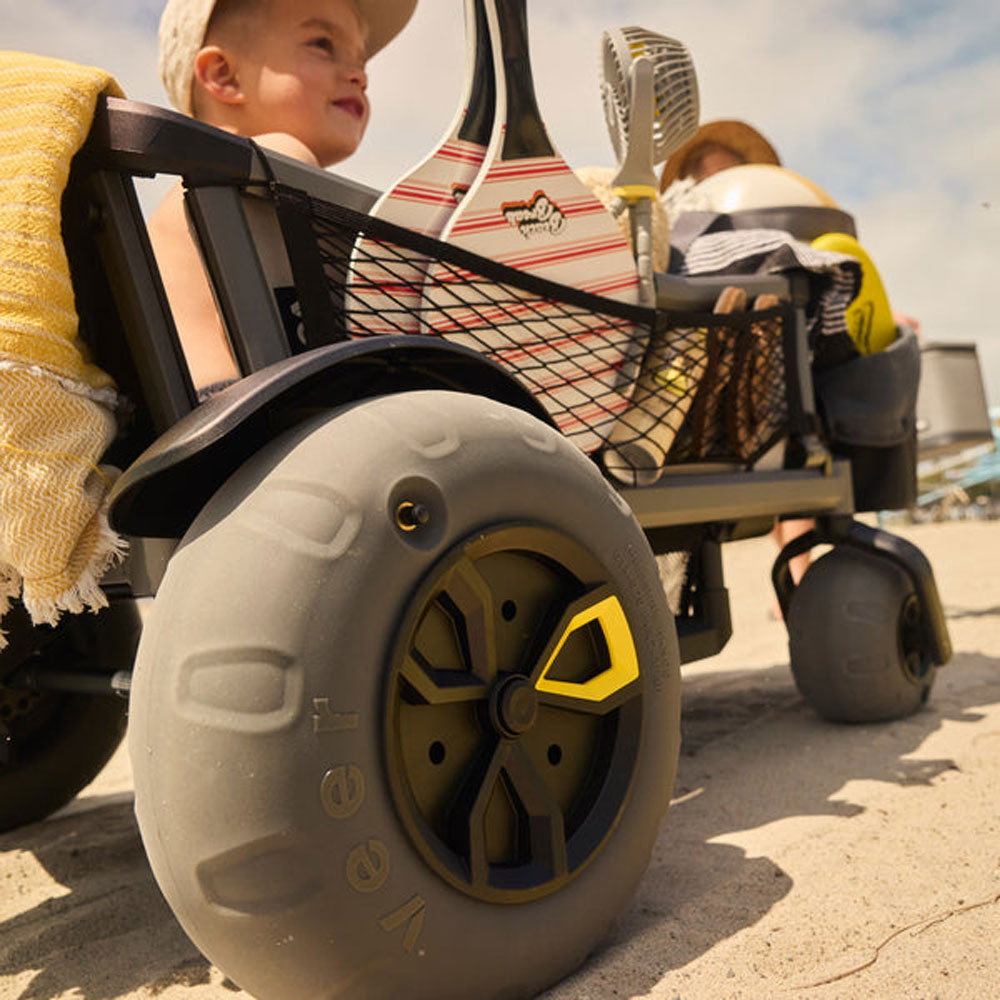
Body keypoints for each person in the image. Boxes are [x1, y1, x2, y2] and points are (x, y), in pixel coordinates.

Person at [659, 119, 919, 613]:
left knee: (797, 427)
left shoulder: (785, 238)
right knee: (783, 435)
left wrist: (884, 318)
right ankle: (798, 575)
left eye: (728, 171)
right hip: (713, 369)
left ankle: (800, 575)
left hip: (789, 366)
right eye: (709, 173)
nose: (722, 179)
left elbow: (841, 292)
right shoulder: (684, 243)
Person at [148, 0, 415, 394]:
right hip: (254, 415)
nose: (360, 76)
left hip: (199, 421)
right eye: (322, 44)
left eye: (361, 61)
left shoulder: (186, 194)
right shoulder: (279, 156)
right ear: (225, 75)